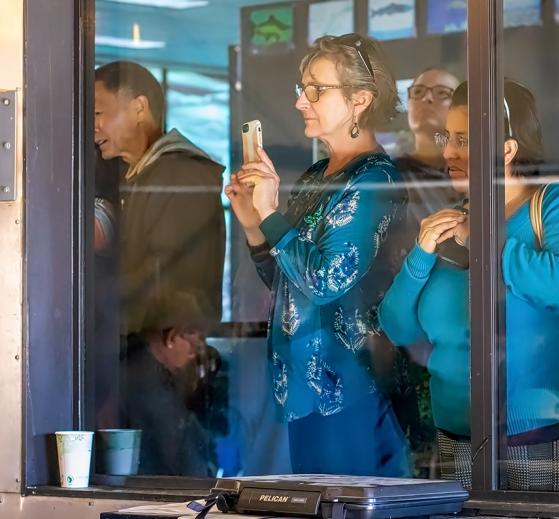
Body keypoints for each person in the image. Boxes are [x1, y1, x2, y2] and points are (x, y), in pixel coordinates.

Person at [379, 80, 559, 490]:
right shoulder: (448, 222)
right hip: (455, 433)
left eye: (463, 140)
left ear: (507, 150)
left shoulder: (553, 202)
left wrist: (479, 240)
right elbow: (397, 327)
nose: (448, 152)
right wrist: (420, 255)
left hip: (537, 432)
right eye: (447, 138)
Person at [226, 33, 409, 477]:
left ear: (360, 99)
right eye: (301, 88)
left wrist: (271, 213)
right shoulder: (316, 176)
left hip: (349, 387)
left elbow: (325, 281)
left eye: (316, 90)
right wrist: (254, 223)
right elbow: (288, 284)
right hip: (304, 386)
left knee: (341, 500)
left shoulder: (374, 180)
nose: (300, 102)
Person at [94, 61, 225, 336]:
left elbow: (168, 278)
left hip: (166, 346)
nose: (93, 126)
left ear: (139, 108)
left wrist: (92, 295)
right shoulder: (136, 174)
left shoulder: (181, 174)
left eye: (98, 113)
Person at [376, 67, 461, 477]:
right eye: (418, 91)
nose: (426, 99)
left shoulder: (472, 177)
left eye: (441, 93)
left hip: (459, 336)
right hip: (401, 337)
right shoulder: (388, 176)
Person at [119, 290, 227, 476]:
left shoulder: (136, 367)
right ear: (172, 337)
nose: (193, 357)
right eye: (193, 349)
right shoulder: (149, 385)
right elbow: (180, 461)